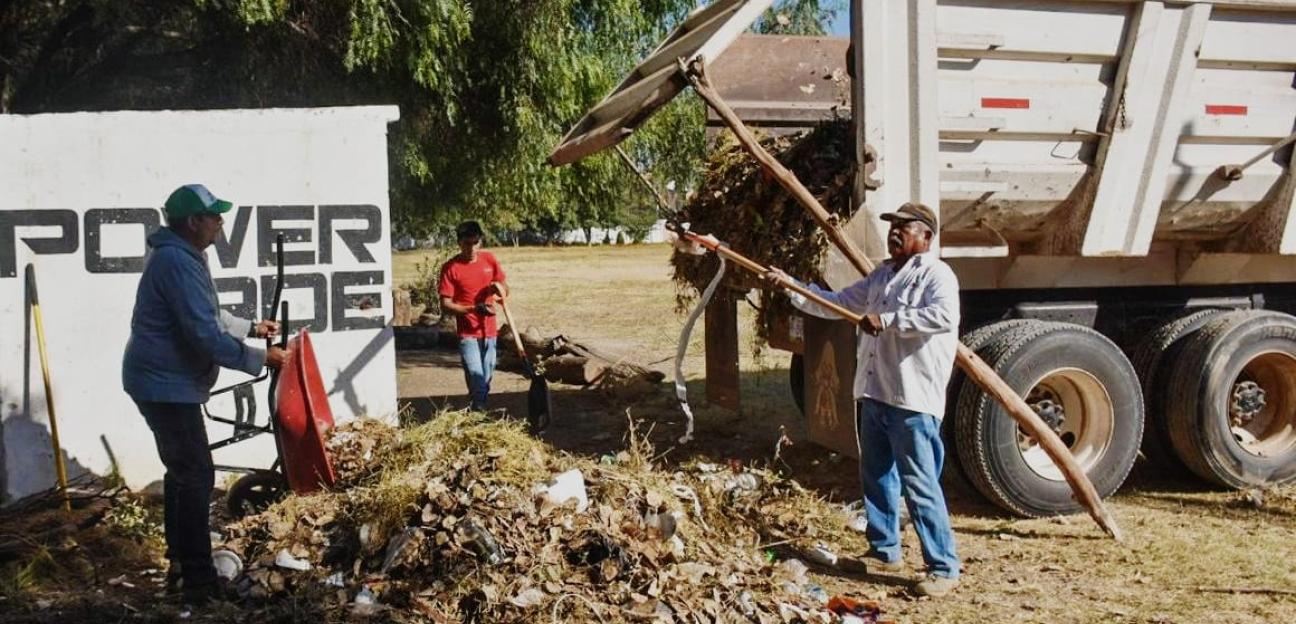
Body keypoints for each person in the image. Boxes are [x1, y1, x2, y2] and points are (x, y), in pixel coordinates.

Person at [766, 202, 962, 597]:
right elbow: (836, 303)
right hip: (874, 394)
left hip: (912, 400)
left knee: (920, 484)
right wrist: (791, 286)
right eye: (892, 227)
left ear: (926, 236)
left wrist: (889, 320)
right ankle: (884, 549)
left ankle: (943, 567)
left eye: (903, 228)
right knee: (876, 476)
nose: (894, 233)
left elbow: (942, 317)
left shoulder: (937, 275)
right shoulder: (880, 277)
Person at [122, 184, 291, 605]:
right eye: (214, 217)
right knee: (196, 475)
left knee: (183, 474)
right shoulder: (177, 261)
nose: (220, 224)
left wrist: (251, 328)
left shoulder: (182, 256)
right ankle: (197, 582)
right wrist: (261, 358)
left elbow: (210, 315)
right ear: (193, 221)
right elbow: (202, 334)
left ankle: (182, 567)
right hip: (164, 386)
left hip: (164, 382)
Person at [438, 220, 508, 411]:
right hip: (468, 334)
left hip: (490, 332)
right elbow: (446, 304)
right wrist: (472, 309)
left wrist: (499, 288)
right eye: (467, 243)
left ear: (481, 241)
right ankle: (479, 412)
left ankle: (477, 408)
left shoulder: (489, 260)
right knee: (476, 376)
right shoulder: (450, 268)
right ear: (459, 243)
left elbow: (504, 289)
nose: (471, 248)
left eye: (475, 243)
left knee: (486, 377)